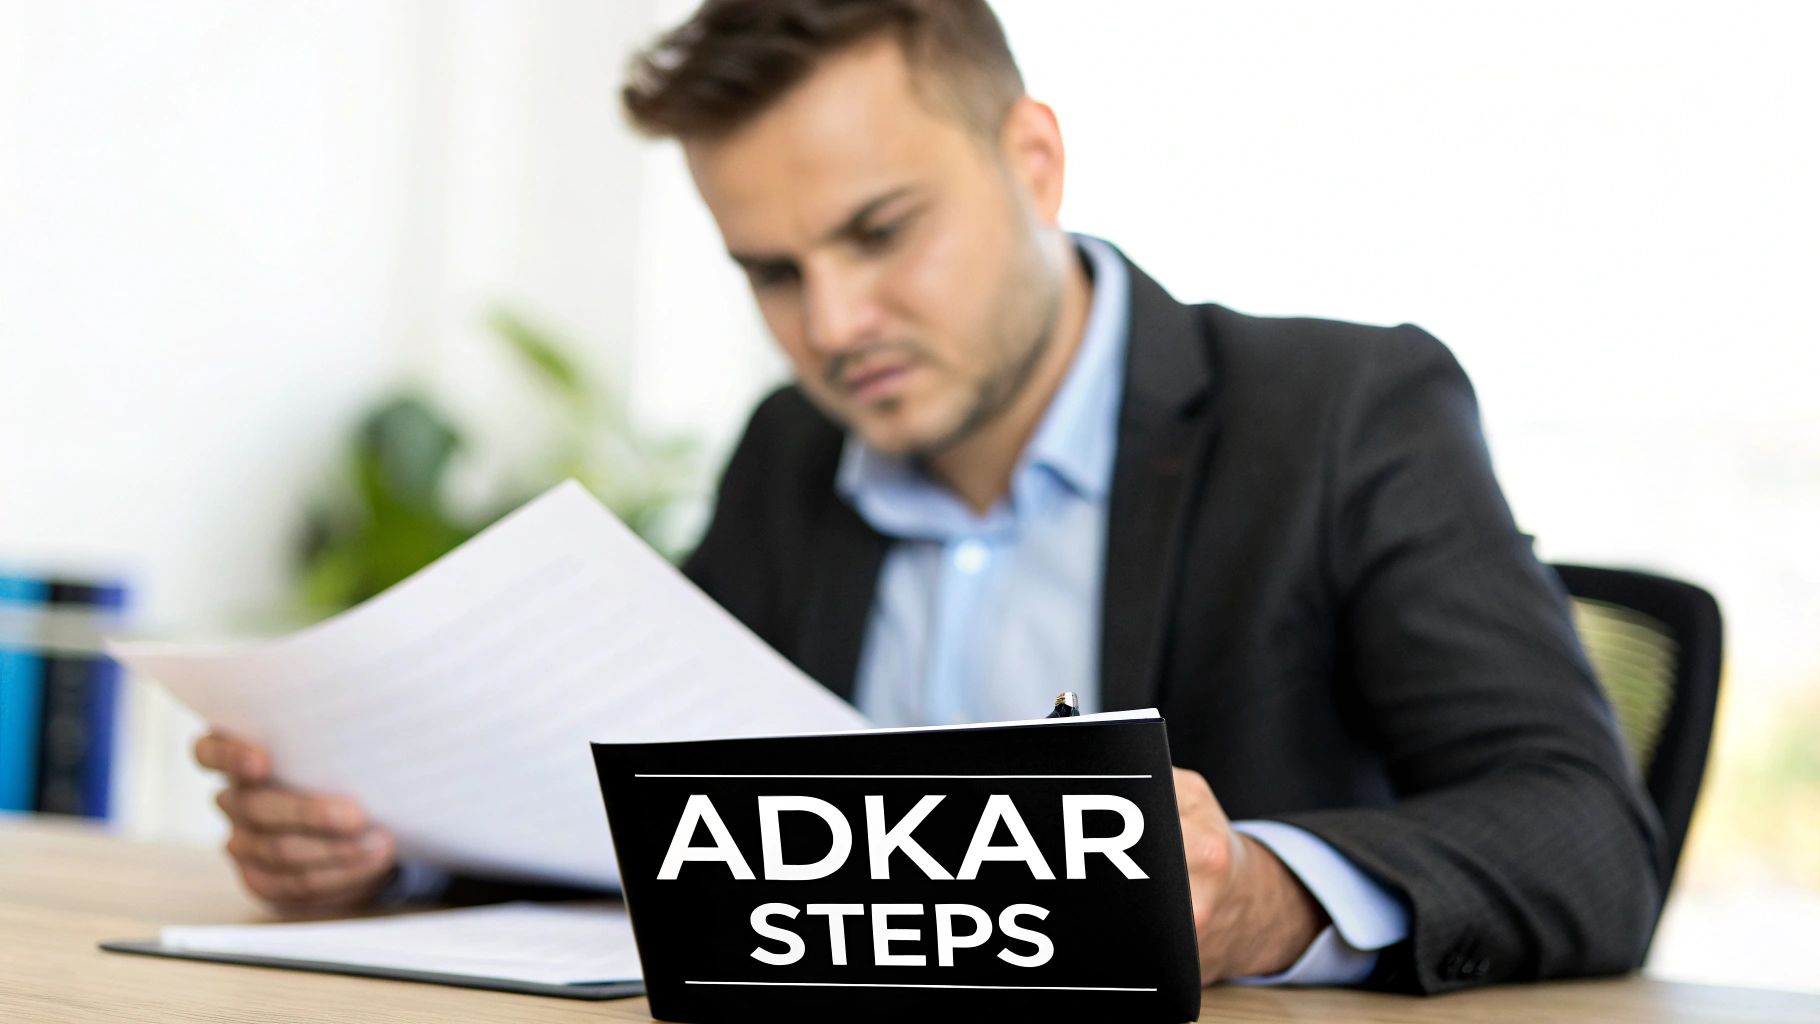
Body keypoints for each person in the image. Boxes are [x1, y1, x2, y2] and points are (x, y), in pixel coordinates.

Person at [193, 0, 1664, 993]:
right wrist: (396, 851)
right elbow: (658, 817)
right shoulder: (792, 457)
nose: (831, 324)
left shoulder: (1339, 416)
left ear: (1033, 163)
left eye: (881, 232)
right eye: (771, 270)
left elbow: (1587, 831)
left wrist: (1260, 900)